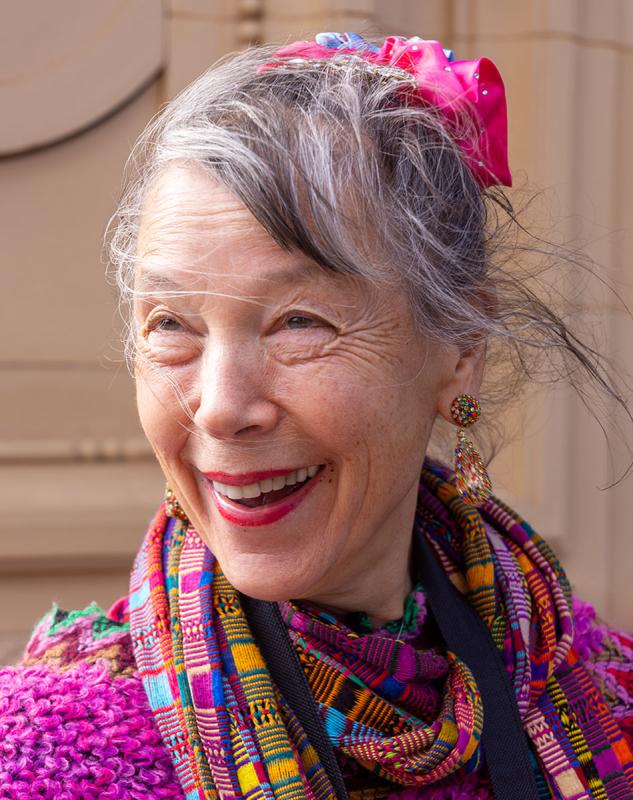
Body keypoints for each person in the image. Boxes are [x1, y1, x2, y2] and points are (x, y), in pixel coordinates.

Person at [1, 32, 632, 800]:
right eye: (170, 324)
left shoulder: (602, 698)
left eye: (298, 322)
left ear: (460, 350)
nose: (221, 408)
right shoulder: (51, 756)